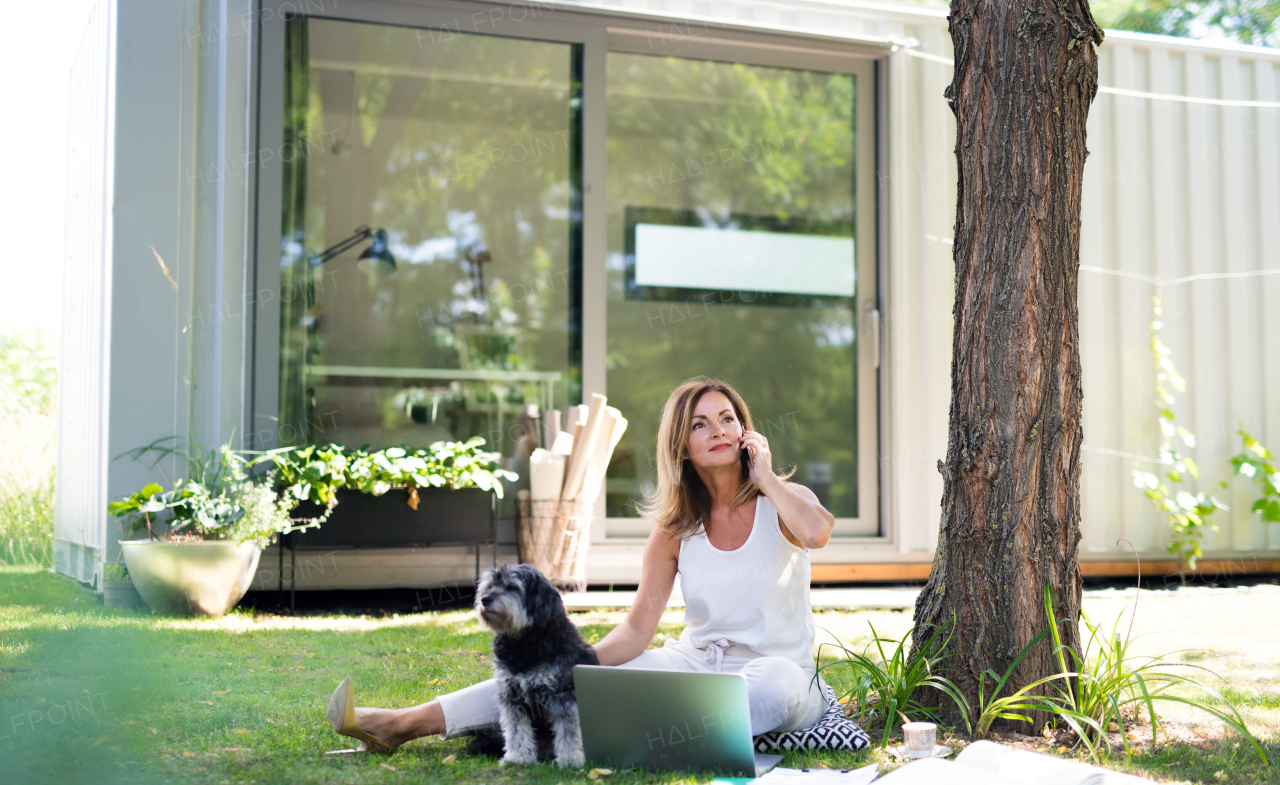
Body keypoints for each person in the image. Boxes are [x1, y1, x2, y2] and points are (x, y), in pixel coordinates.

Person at [329, 376, 837, 750]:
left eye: (728, 418)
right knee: (559, 674)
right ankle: (401, 724)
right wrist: (574, 666)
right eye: (700, 424)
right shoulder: (675, 527)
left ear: (746, 430)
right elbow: (639, 629)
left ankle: (591, 735)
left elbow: (817, 533)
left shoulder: (786, 499)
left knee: (770, 688)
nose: (718, 430)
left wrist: (766, 477)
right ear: (682, 445)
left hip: (780, 671)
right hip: (695, 665)